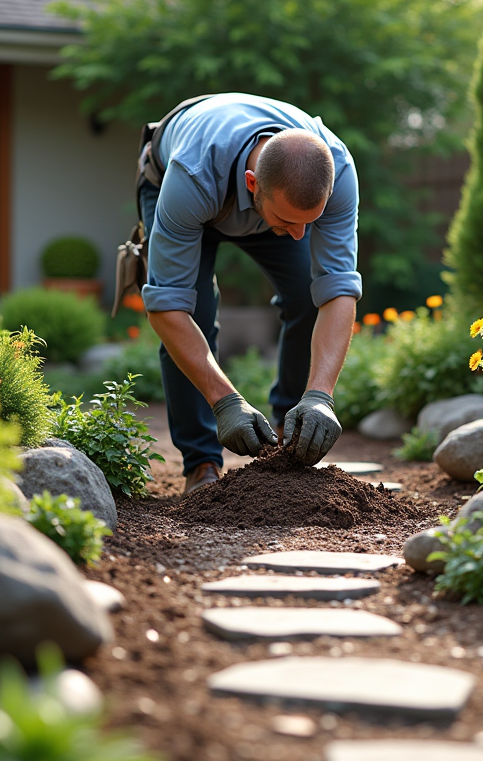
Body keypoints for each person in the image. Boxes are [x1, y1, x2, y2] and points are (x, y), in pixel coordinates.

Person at [134, 93, 360, 495]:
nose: (300, 236)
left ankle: (294, 435)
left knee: (310, 296)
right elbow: (167, 306)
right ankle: (201, 463)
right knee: (193, 315)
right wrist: (226, 401)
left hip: (261, 197)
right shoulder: (192, 176)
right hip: (186, 183)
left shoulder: (338, 171)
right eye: (291, 222)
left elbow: (339, 289)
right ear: (253, 184)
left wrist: (321, 395)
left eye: (311, 222)